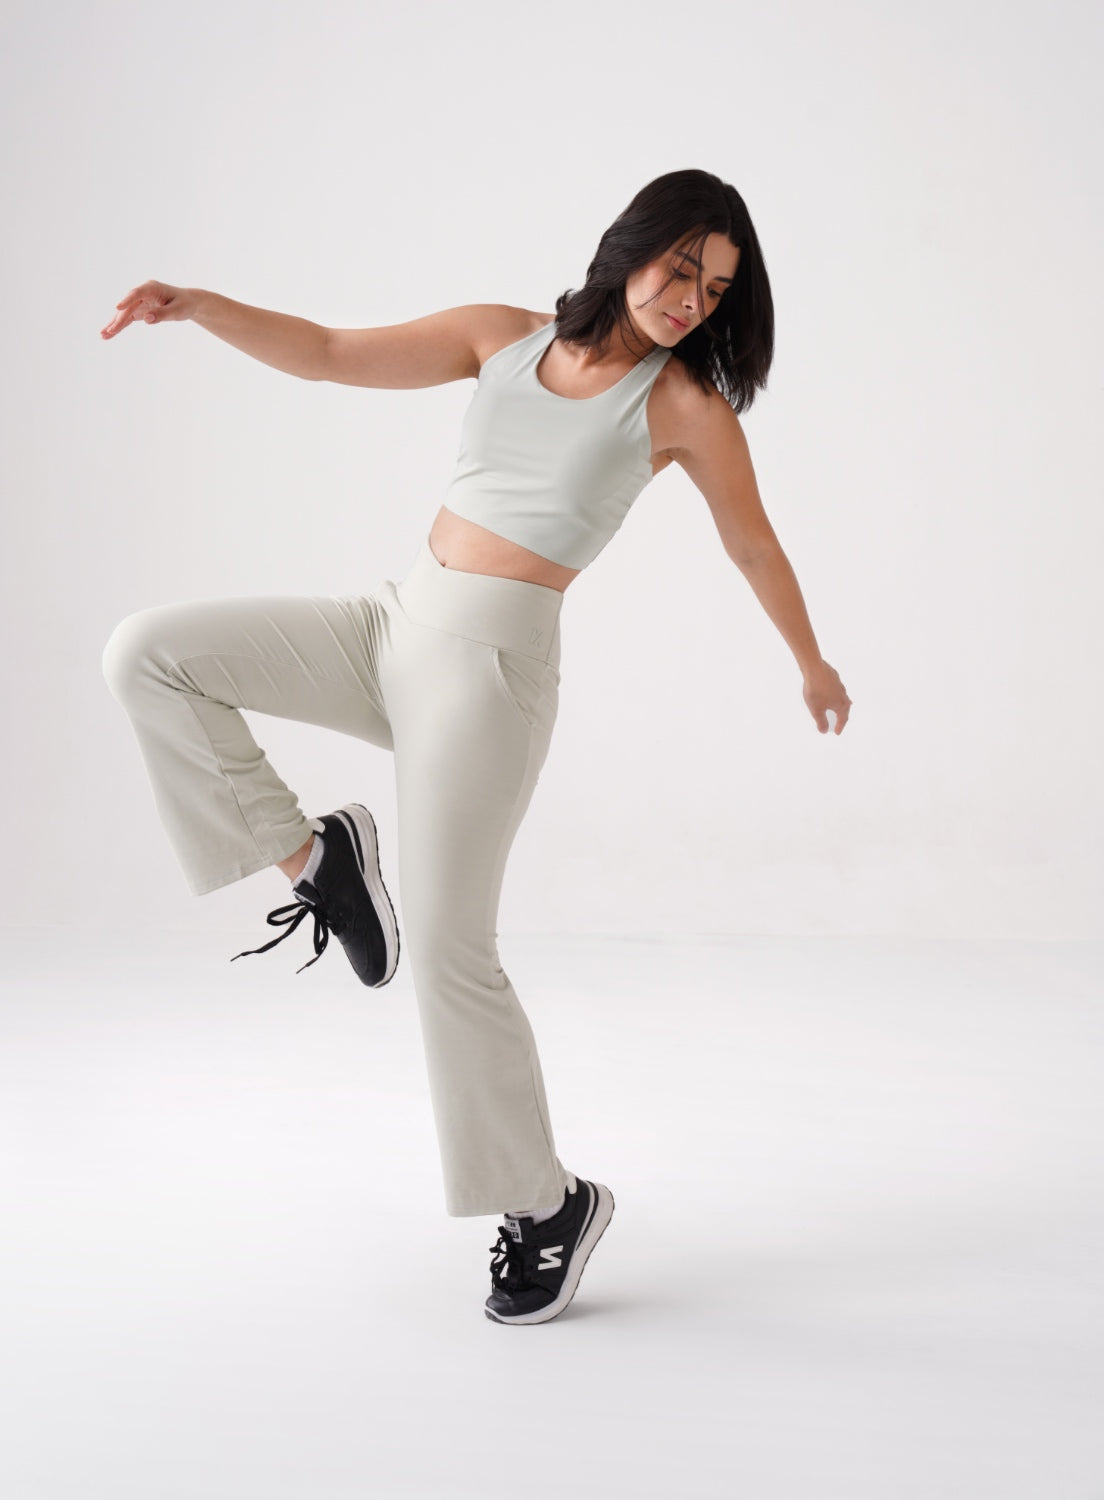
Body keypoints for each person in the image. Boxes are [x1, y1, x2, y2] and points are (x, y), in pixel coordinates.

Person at [97, 168, 853, 1327]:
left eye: (715, 290)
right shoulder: (502, 337)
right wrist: (202, 306)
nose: (692, 300)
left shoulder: (682, 407)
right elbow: (330, 352)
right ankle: (316, 859)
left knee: (452, 954)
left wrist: (811, 660)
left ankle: (546, 1204)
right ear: (633, 247)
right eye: (682, 270)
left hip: (490, 676)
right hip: (393, 623)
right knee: (149, 654)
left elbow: (753, 545)